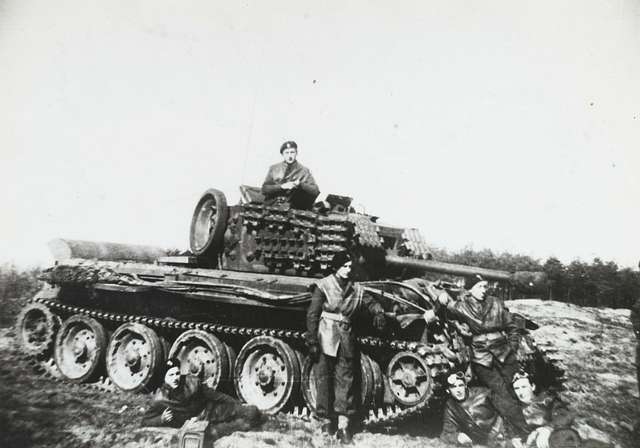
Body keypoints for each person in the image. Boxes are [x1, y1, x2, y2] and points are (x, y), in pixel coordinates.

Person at [306, 252, 386, 444]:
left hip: (346, 338)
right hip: (326, 336)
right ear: (336, 267)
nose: (349, 269)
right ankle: (324, 422)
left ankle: (343, 426)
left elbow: (370, 302)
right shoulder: (324, 285)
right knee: (324, 379)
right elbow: (313, 314)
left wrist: (379, 312)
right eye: (345, 266)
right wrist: (312, 341)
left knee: (345, 381)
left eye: (350, 266)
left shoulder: (356, 289)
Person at [437, 275, 530, 439]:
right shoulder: (461, 306)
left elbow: (512, 327)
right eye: (479, 287)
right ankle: (522, 432)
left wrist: (513, 347)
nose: (483, 290)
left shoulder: (495, 303)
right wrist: (441, 298)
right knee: (501, 393)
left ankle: (525, 426)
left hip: (504, 352)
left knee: (517, 388)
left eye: (485, 286)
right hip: (481, 358)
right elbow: (443, 309)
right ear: (470, 289)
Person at [141, 358, 264, 439]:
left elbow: (215, 395)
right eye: (171, 375)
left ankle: (240, 423)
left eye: (177, 373)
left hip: (210, 412)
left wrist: (237, 404)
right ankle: (238, 427)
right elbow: (145, 422)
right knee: (233, 427)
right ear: (164, 378)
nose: (176, 378)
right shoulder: (159, 399)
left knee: (252, 412)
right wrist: (161, 419)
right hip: (198, 427)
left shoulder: (192, 382)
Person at [511, 371, 577, 448]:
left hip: (554, 439)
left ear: (532, 386)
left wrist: (548, 428)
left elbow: (566, 415)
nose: (520, 392)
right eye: (516, 388)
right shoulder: (515, 410)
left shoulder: (546, 400)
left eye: (524, 387)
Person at [440, 371, 505, 446]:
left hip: (503, 435)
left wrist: (502, 430)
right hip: (483, 443)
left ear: (465, 386)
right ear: (448, 390)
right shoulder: (451, 406)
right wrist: (457, 437)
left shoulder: (483, 393)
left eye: (460, 385)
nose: (458, 390)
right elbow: (446, 433)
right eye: (454, 387)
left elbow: (506, 409)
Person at [261, 140, 320, 209]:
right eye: (286, 153)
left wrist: (300, 184)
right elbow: (264, 189)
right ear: (282, 154)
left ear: (296, 153)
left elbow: (315, 191)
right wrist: (282, 187)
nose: (289, 156)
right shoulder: (274, 168)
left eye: (292, 152)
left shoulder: (304, 171)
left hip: (293, 207)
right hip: (273, 205)